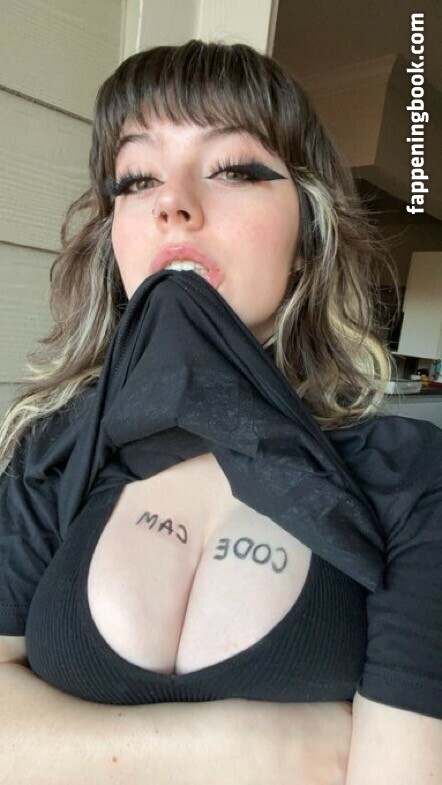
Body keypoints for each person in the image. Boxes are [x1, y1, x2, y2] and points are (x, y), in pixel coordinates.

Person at [0, 39, 441, 785]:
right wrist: (257, 748)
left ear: (307, 237)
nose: (170, 202)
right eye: (137, 178)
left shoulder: (412, 476)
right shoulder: (52, 451)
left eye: (235, 169)